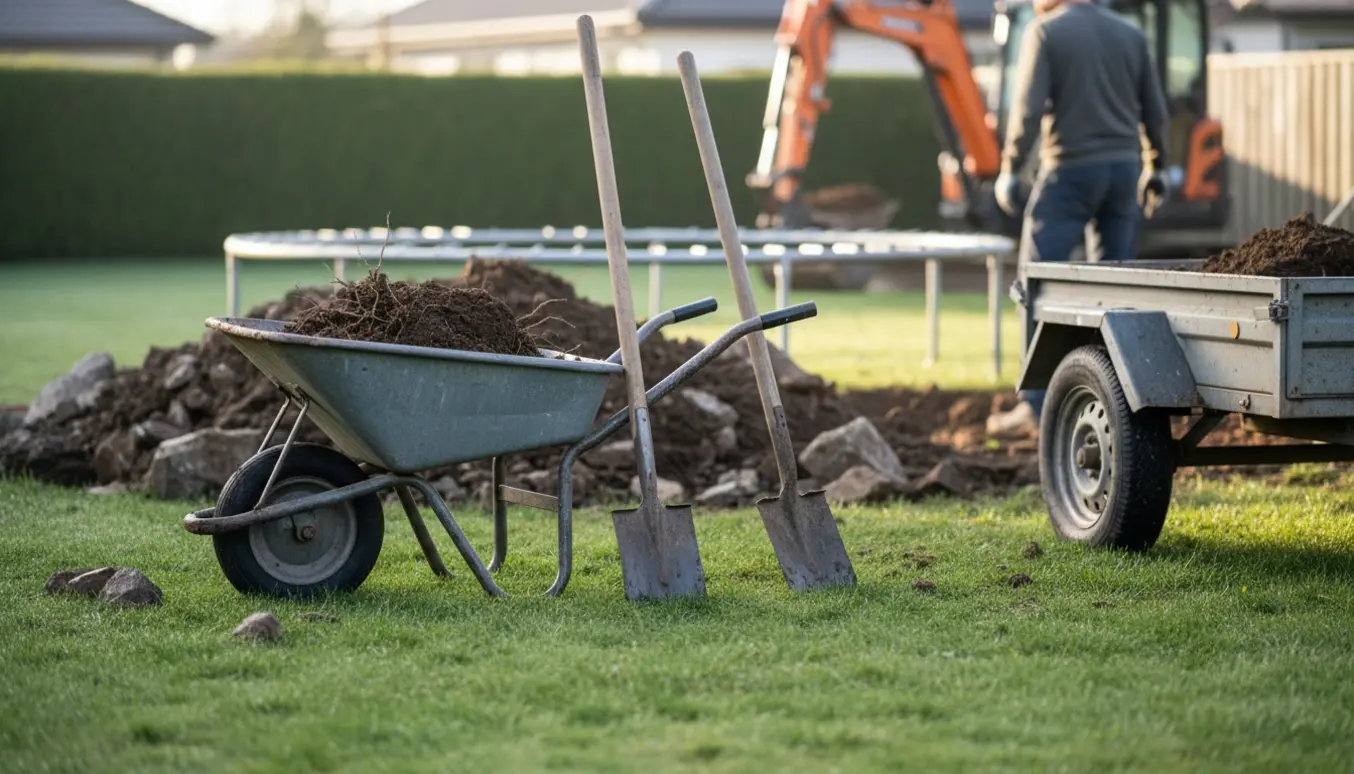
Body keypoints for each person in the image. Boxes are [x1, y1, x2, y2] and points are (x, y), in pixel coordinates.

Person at [990, 0, 1173, 429]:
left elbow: (1029, 110)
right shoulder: (1130, 34)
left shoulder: (1046, 31)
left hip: (1069, 171)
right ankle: (1117, 398)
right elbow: (1154, 108)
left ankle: (1036, 407)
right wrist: (1157, 165)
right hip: (1123, 173)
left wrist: (1010, 168)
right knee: (1115, 286)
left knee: (1036, 281)